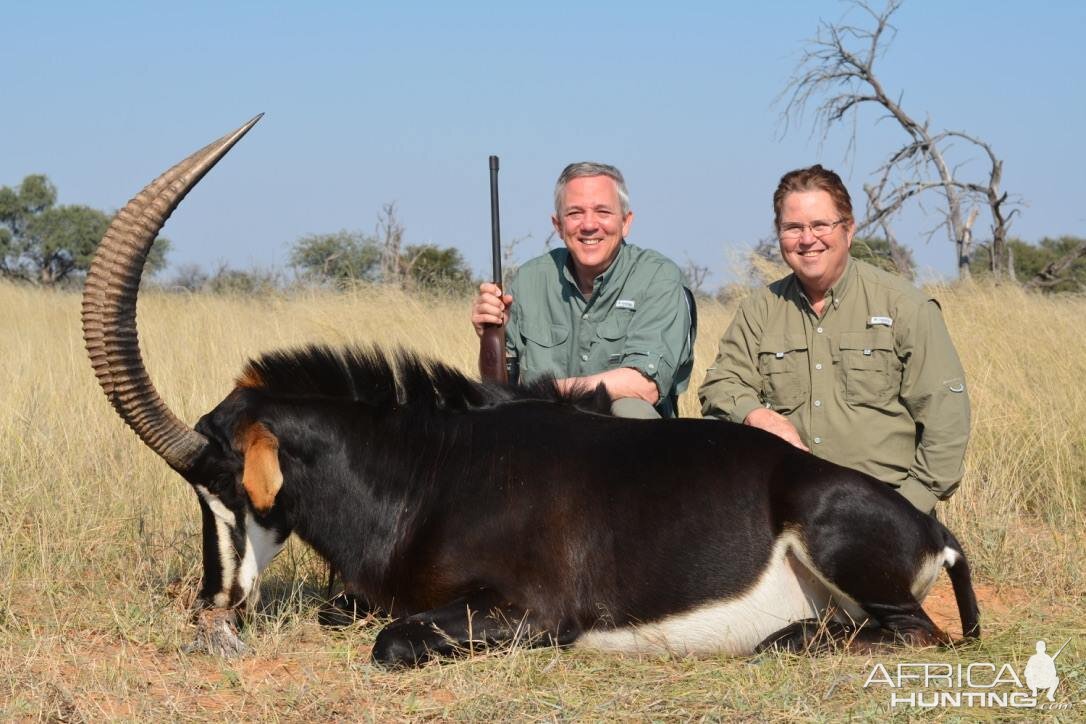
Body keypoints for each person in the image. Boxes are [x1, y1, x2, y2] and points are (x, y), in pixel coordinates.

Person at [699, 165, 970, 513]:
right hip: (786, 508)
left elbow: (946, 419)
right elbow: (721, 384)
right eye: (793, 227)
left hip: (883, 505)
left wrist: (907, 510)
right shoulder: (760, 309)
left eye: (820, 225)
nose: (807, 239)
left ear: (849, 229)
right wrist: (757, 415)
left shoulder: (905, 306)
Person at [471, 162, 693, 418]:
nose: (589, 225)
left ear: (626, 222)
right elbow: (498, 390)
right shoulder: (529, 279)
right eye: (575, 213)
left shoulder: (658, 277)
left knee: (630, 409)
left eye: (603, 212)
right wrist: (490, 335)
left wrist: (545, 394)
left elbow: (644, 386)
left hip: (623, 443)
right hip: (545, 434)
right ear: (558, 225)